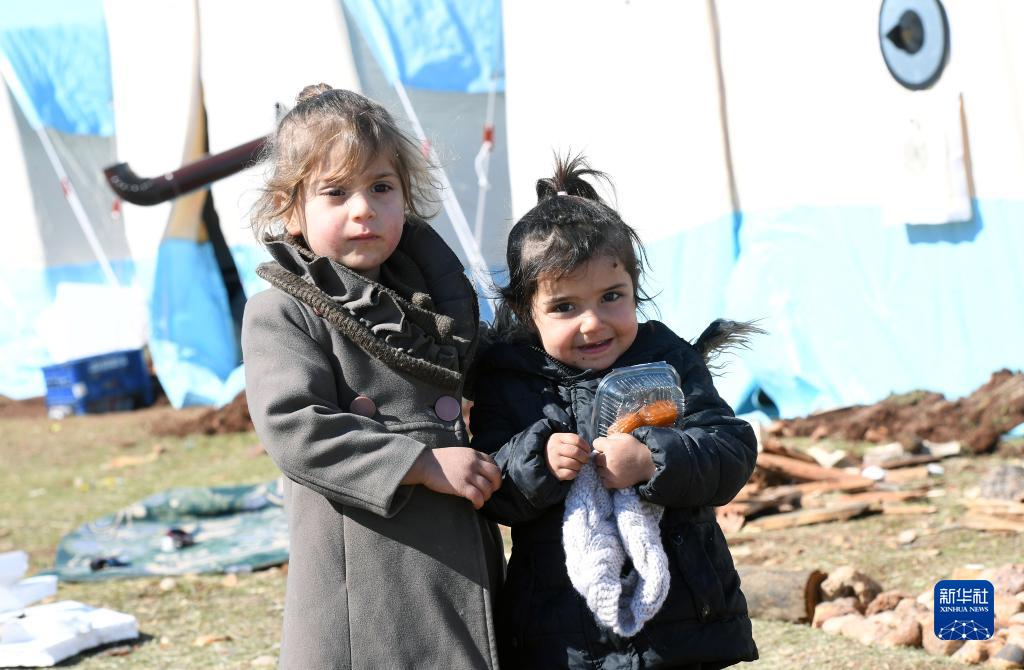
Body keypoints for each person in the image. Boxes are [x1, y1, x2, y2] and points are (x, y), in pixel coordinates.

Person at [242, 84, 503, 670]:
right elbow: (295, 427)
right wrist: (420, 463)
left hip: (455, 563)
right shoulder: (283, 311)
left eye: (381, 187)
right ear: (291, 210)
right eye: (335, 192)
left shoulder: (432, 302)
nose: (363, 208)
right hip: (365, 585)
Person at [470, 155, 760, 669]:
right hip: (566, 636)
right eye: (565, 306)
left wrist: (653, 460)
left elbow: (729, 449)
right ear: (524, 310)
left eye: (611, 297)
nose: (593, 322)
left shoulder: (666, 361)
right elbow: (492, 486)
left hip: (681, 627)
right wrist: (538, 461)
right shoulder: (510, 380)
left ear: (634, 285)